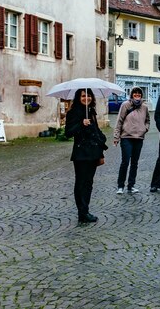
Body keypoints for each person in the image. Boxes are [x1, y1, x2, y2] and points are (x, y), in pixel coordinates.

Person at [65, 88, 107, 223]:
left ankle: (86, 210)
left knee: (89, 183)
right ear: (78, 97)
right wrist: (81, 124)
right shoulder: (73, 113)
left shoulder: (91, 111)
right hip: (81, 153)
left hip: (93, 152)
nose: (86, 98)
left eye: (89, 96)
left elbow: (95, 131)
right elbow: (68, 132)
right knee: (81, 183)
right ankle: (82, 212)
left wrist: (102, 139)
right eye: (83, 96)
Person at [113, 87, 150, 194]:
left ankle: (131, 185)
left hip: (139, 138)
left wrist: (145, 129)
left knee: (134, 163)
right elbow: (119, 121)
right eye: (135, 93)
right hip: (126, 137)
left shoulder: (144, 107)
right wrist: (116, 136)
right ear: (132, 94)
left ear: (141, 95)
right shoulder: (125, 105)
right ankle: (120, 186)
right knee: (125, 162)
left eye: (139, 93)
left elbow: (148, 120)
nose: (137, 94)